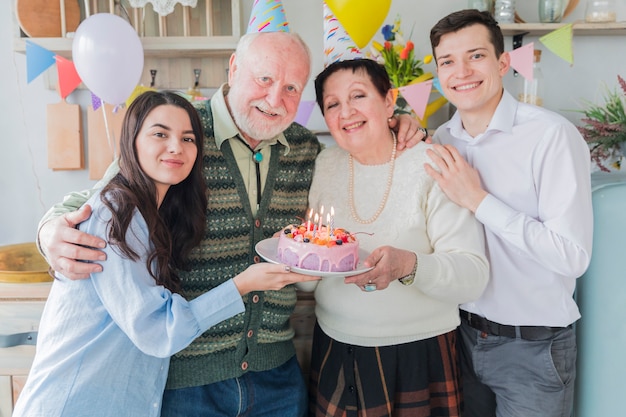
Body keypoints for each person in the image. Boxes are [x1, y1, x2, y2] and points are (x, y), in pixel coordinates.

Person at [36, 31, 426, 417]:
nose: (276, 100)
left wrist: (402, 123)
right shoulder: (180, 133)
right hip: (187, 381)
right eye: (265, 79)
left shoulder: (307, 150)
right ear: (234, 68)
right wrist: (49, 231)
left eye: (291, 87)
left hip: (277, 376)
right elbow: (103, 199)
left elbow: (365, 146)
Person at [13, 91, 319, 417]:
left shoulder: (156, 213)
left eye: (188, 138)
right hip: (76, 403)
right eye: (160, 134)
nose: (176, 147)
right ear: (132, 142)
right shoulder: (117, 213)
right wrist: (243, 284)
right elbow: (159, 330)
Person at [424, 10, 593, 417]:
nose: (461, 71)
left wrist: (479, 200)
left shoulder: (550, 136)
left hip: (533, 349)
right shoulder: (443, 140)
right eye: (447, 61)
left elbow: (572, 255)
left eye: (475, 56)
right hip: (460, 338)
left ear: (502, 63)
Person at [301, 58, 489, 416]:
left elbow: (472, 276)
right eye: (332, 104)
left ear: (389, 101)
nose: (347, 112)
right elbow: (315, 274)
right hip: (334, 349)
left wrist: (409, 264)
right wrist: (297, 260)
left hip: (418, 355)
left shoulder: (432, 163)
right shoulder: (325, 164)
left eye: (358, 96)